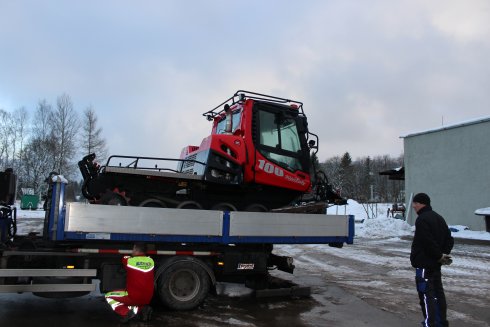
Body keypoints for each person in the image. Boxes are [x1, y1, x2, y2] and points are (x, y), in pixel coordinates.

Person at [410, 193, 454, 327]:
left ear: (421, 203)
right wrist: (443, 255)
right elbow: (449, 239)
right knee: (438, 295)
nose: (413, 206)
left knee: (426, 296)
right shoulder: (439, 218)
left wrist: (438, 256)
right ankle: (441, 323)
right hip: (435, 265)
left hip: (425, 265)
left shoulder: (422, 219)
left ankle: (431, 324)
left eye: (415, 203)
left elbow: (427, 242)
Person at [105, 243, 155, 323]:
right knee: (137, 298)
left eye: (133, 249)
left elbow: (124, 258)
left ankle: (126, 313)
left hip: (134, 297)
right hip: (148, 298)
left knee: (108, 296)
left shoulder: (130, 261)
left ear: (136, 250)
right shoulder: (151, 261)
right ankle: (142, 309)